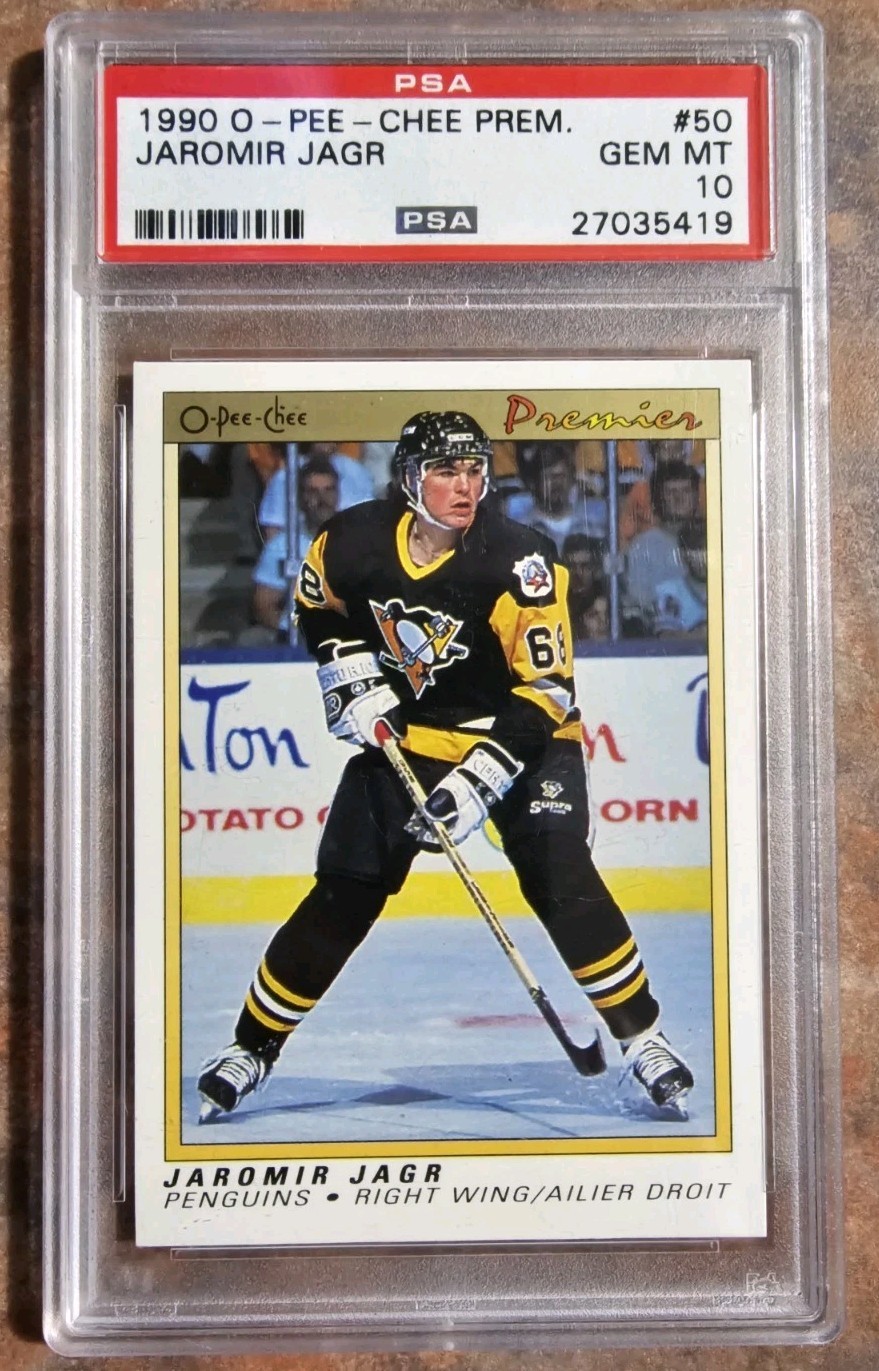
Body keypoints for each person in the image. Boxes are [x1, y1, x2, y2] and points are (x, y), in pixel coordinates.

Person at [197, 413, 694, 1121]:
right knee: (345, 889)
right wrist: (345, 669)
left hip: (525, 738)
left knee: (557, 870)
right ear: (408, 477)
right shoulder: (351, 540)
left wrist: (481, 777)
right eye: (446, 471)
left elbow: (547, 690)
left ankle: (643, 1037)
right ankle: (251, 1046)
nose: (465, 487)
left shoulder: (519, 560)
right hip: (416, 738)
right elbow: (317, 607)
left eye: (474, 471)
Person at [252, 456, 341, 636]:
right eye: (313, 491)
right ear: (301, 497)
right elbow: (263, 605)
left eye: (329, 490)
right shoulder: (282, 546)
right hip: (300, 636)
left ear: (338, 494)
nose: (322, 499)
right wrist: (291, 631)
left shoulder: (360, 540)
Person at [505, 442, 603, 551]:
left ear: (572, 479)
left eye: (561, 476)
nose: (556, 483)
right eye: (548, 476)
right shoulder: (521, 531)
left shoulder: (592, 528)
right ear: (534, 483)